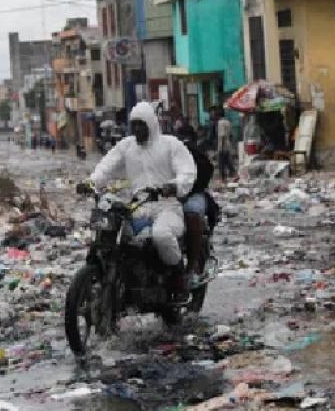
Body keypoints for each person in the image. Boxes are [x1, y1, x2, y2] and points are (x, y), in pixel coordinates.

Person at [81, 102, 197, 295]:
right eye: (134, 124)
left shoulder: (170, 145)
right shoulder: (126, 146)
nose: (137, 129)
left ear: (151, 123)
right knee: (118, 240)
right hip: (137, 207)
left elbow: (187, 172)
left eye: (141, 124)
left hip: (166, 208)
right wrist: (90, 183)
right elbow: (105, 167)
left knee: (161, 235)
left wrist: (173, 186)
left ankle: (178, 278)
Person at [174, 124, 219, 286]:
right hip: (169, 197)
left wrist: (187, 190)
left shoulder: (197, 155)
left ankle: (191, 268)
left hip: (193, 195)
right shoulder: (165, 153)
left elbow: (205, 176)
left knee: (192, 214)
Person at [216, 111, 236, 182]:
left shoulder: (220, 123)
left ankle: (223, 178)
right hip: (228, 145)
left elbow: (222, 135)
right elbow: (231, 135)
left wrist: (220, 148)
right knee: (228, 161)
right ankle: (232, 174)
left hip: (222, 146)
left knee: (221, 164)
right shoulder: (228, 122)